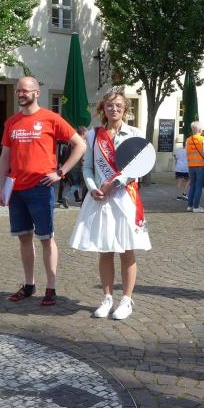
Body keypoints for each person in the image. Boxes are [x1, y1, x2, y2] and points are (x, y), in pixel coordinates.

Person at [0, 76, 86, 306]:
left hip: (41, 187)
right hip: (16, 189)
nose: (20, 94)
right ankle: (29, 284)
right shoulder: (12, 122)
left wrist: (61, 172)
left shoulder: (50, 118)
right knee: (24, 238)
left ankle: (51, 287)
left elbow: (80, 144)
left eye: (25, 91)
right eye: (18, 91)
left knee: (46, 238)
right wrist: (0, 188)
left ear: (36, 93)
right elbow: (5, 157)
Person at [69, 88, 151, 320]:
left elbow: (139, 168)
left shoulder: (135, 134)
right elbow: (87, 167)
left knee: (126, 249)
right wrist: (92, 187)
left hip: (125, 198)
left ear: (125, 108)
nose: (114, 109)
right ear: (103, 109)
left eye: (118, 106)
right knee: (105, 250)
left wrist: (114, 184)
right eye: (109, 105)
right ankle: (107, 298)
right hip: (101, 199)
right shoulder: (93, 136)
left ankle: (126, 299)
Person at [185, 122, 204, 213]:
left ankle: (190, 206)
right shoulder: (203, 139)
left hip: (191, 165)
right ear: (200, 130)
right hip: (201, 166)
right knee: (199, 186)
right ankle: (196, 207)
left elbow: (186, 152)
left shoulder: (188, 140)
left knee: (192, 186)